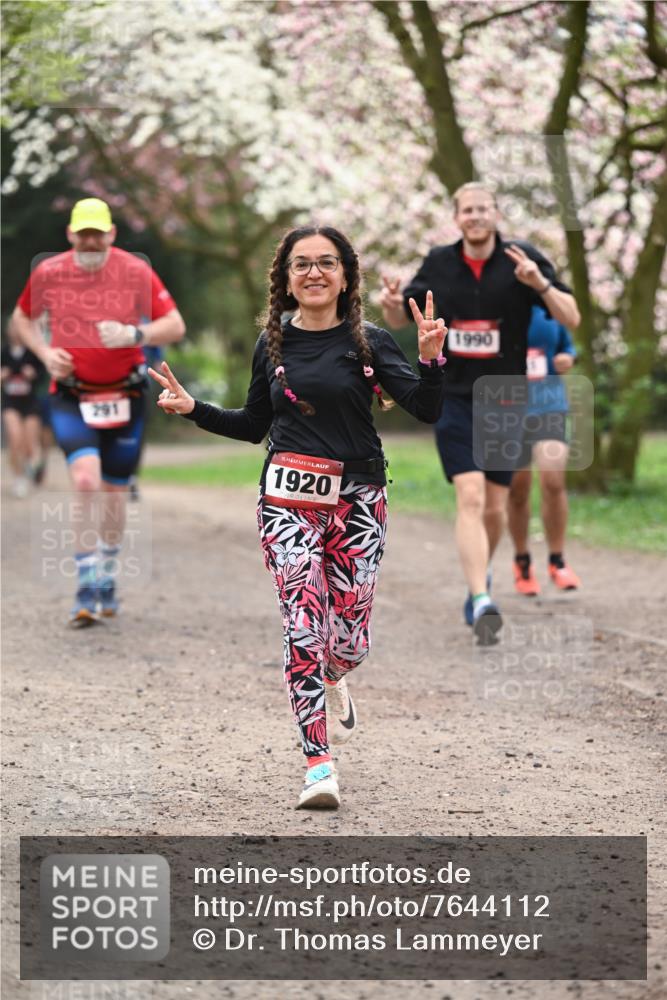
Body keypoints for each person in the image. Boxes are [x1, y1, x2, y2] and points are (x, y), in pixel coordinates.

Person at [148, 224, 446, 809]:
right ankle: (318, 765)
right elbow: (252, 424)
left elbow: (427, 410)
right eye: (302, 264)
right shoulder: (272, 344)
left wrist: (432, 360)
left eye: (326, 263)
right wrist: (193, 409)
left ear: (346, 276)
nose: (314, 273)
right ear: (286, 279)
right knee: (303, 626)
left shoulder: (370, 342)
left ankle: (336, 675)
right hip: (287, 501)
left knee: (350, 639)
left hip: (359, 500)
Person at [380, 182, 580, 644]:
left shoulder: (521, 259)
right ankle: (482, 597)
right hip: (452, 395)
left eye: (483, 209)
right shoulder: (438, 262)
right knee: (469, 496)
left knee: (493, 505)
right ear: (457, 218)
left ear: (496, 214)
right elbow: (401, 318)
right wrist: (391, 306)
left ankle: (481, 575)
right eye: (467, 210)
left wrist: (539, 283)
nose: (475, 216)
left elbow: (571, 317)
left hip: (506, 398)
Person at [11, 197, 185, 625]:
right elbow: (21, 318)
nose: (90, 241)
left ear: (111, 234)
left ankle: (107, 575)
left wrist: (134, 333)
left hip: (125, 396)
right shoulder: (49, 272)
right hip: (72, 395)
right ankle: (86, 586)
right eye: (83, 234)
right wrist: (45, 353)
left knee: (113, 491)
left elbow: (175, 325)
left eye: (98, 234)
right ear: (71, 234)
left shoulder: (135, 271)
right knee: (86, 481)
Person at [508, 303, 580, 594]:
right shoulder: (496, 303)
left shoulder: (550, 307)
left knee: (553, 480)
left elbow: (567, 346)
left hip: (549, 406)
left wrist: (567, 358)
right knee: (518, 489)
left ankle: (557, 560)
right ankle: (522, 561)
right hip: (508, 409)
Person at [1, 317, 45, 497]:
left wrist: (33, 374)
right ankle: (19, 478)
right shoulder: (3, 352)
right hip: (10, 402)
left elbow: (43, 375)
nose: (15, 330)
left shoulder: (33, 352)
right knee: (15, 439)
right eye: (12, 326)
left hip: (30, 403)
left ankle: (33, 467)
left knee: (29, 445)